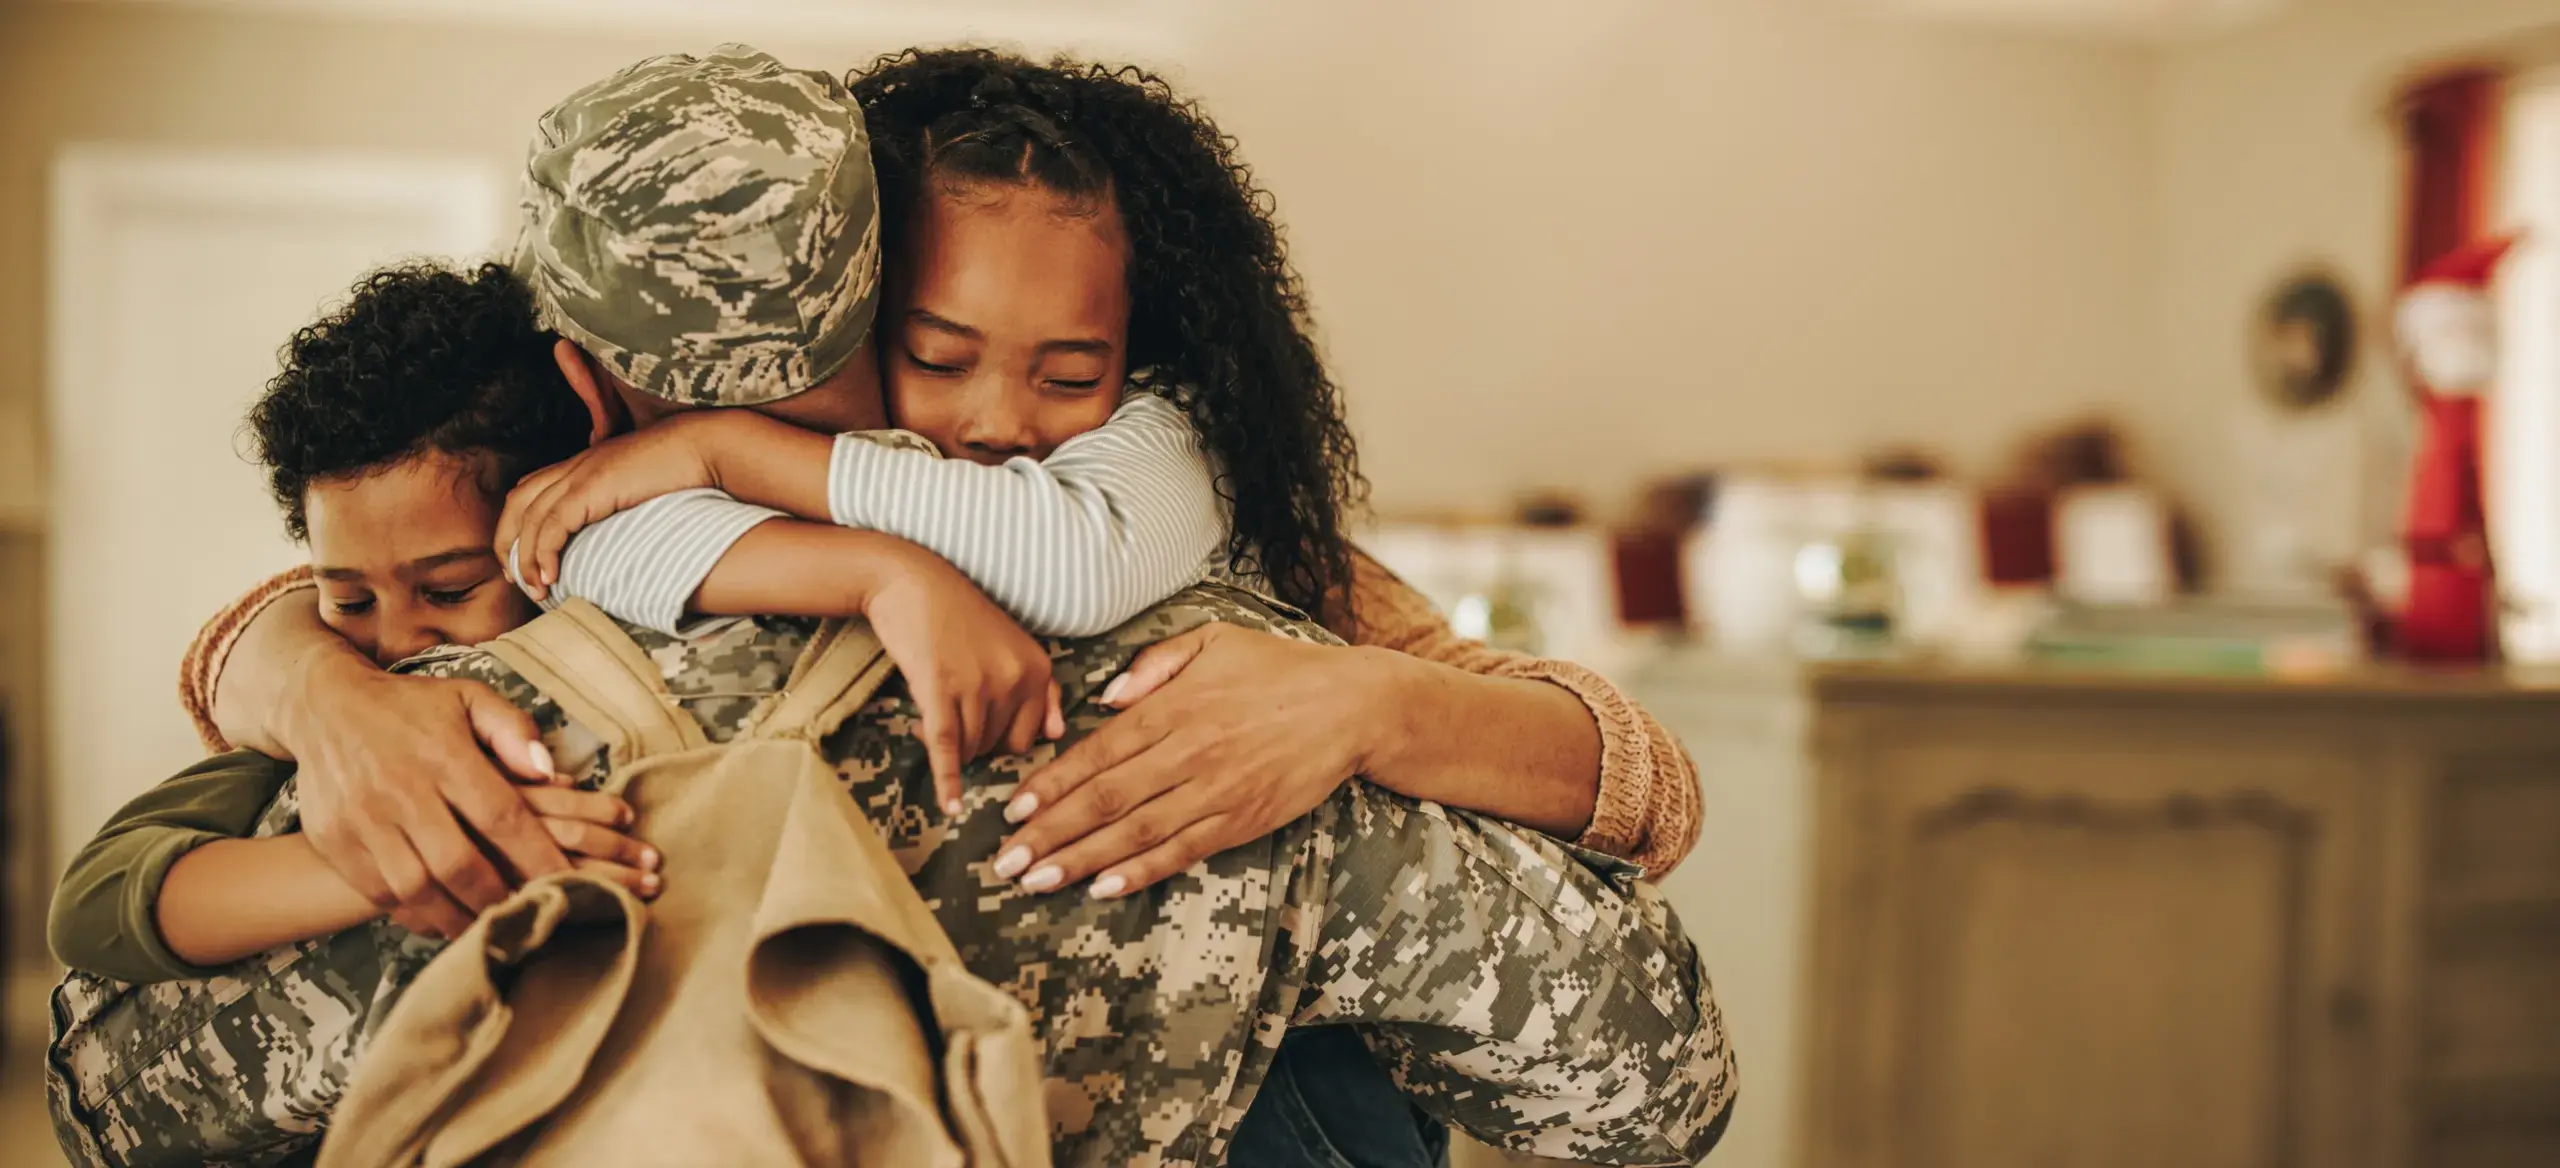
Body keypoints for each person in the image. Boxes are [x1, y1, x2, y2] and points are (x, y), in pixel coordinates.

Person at [55, 45, 1732, 1168]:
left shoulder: (487, 730)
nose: (982, 423)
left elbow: (115, 1088)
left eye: (1059, 374)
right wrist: (305, 673)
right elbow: (1650, 1084)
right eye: (931, 350)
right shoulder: (490, 642)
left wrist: (1372, 705)